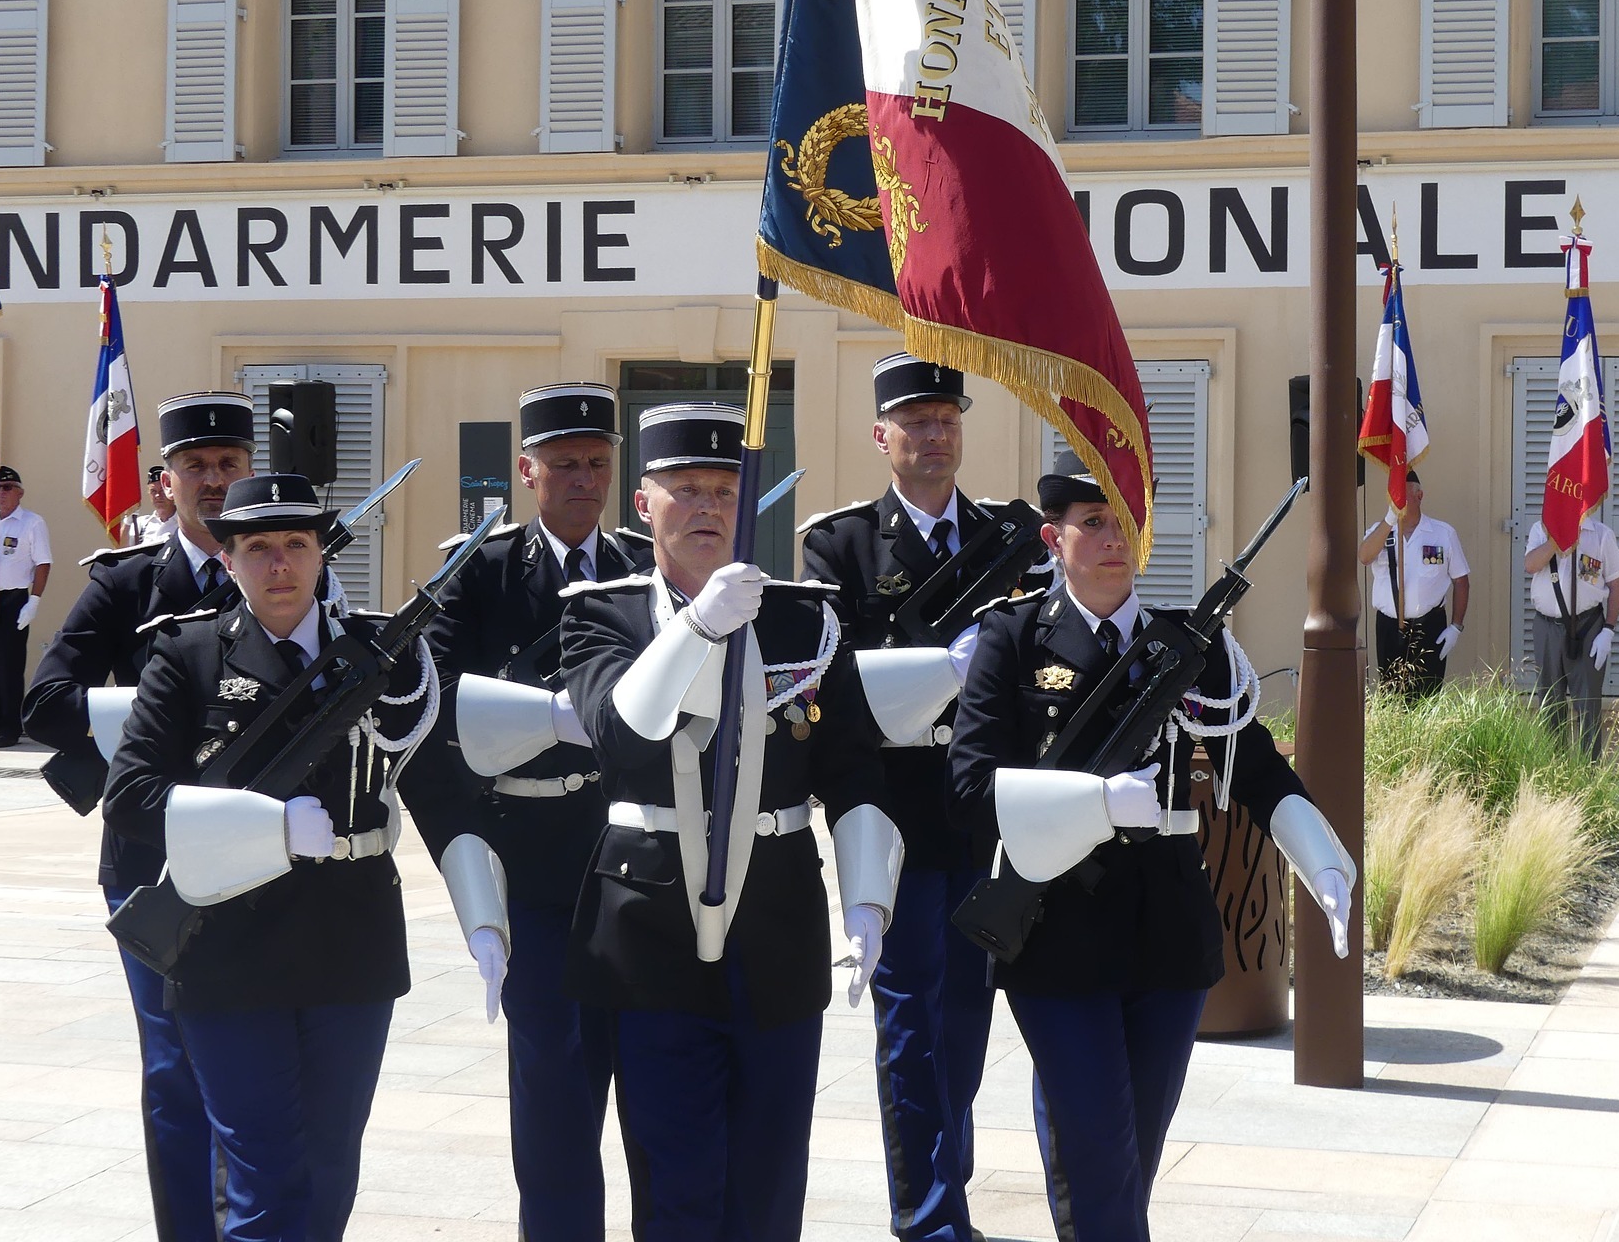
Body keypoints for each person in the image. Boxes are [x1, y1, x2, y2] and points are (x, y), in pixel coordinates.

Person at [947, 460, 1354, 1242]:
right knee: (1099, 1153)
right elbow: (968, 793)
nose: (1112, 539)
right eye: (1091, 522)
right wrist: (1096, 804)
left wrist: (1323, 858)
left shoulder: (1190, 647)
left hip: (1167, 935)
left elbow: (1259, 770)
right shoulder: (1013, 638)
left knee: (1130, 1153)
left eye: (1125, 521)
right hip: (1055, 929)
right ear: (1052, 538)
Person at [101, 473, 504, 1242]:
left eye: (296, 544)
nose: (279, 564)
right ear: (228, 562)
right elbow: (132, 797)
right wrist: (267, 829)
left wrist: (485, 920)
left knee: (328, 1173)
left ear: (323, 555)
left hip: (350, 945)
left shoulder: (384, 659)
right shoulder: (185, 657)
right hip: (225, 946)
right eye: (257, 548)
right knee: (261, 1177)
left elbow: (442, 795)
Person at [559, 402, 902, 1241]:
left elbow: (854, 769)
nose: (708, 506)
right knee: (673, 1178)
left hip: (777, 920)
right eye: (685, 490)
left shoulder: (801, 616)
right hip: (649, 927)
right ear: (644, 505)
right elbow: (622, 729)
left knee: (770, 1178)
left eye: (724, 489)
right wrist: (700, 625)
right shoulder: (601, 612)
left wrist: (866, 899)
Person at [418, 382, 652, 1242]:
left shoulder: (644, 564)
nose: (582, 478)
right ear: (527, 471)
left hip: (634, 855)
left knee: (655, 1082)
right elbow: (433, 705)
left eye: (596, 462)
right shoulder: (476, 571)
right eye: (563, 464)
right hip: (533, 858)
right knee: (554, 1083)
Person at [23, 393, 257, 1241]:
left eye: (229, 464)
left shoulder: (287, 569)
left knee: (257, 1065)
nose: (214, 481)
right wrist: (160, 725)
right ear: (167, 481)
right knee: (175, 1070)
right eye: (196, 466)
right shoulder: (126, 584)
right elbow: (45, 704)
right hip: (150, 859)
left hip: (257, 852)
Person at [800, 353, 1020, 1242]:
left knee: (965, 1021)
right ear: (881, 436)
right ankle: (927, 1219)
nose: (936, 435)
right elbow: (831, 682)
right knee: (908, 1026)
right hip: (893, 814)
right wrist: (941, 669)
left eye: (948, 419)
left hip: (982, 810)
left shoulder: (1008, 534)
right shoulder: (842, 543)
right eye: (917, 421)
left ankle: (947, 1189)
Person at [1523, 510, 1619, 756]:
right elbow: (1531, 565)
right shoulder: (1541, 530)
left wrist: (1608, 631)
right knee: (1550, 701)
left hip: (1588, 626)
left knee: (1588, 705)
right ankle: (1554, 772)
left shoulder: (1601, 535)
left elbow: (1615, 585)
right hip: (1547, 626)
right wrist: (1555, 539)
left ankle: (1587, 777)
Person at [1357, 468, 1469, 698]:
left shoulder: (1442, 533)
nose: (1398, 502)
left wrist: (1456, 627)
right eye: (1394, 496)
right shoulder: (1380, 533)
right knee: (1392, 696)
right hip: (1389, 626)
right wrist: (1389, 519)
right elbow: (1364, 557)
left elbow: (1461, 581)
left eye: (1403, 495)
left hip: (1430, 626)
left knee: (1428, 695)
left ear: (1419, 496)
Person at [0, 464, 50, 746]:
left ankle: (9, 728)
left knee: (8, 667)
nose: (1, 493)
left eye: (7, 488)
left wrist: (34, 601)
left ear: (20, 492)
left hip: (14, 599)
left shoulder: (32, 522)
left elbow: (43, 563)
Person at [127, 466, 179, 546]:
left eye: (162, 490)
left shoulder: (184, 522)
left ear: (171, 491)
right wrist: (127, 520)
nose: (158, 495)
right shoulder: (142, 525)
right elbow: (122, 548)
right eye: (153, 491)